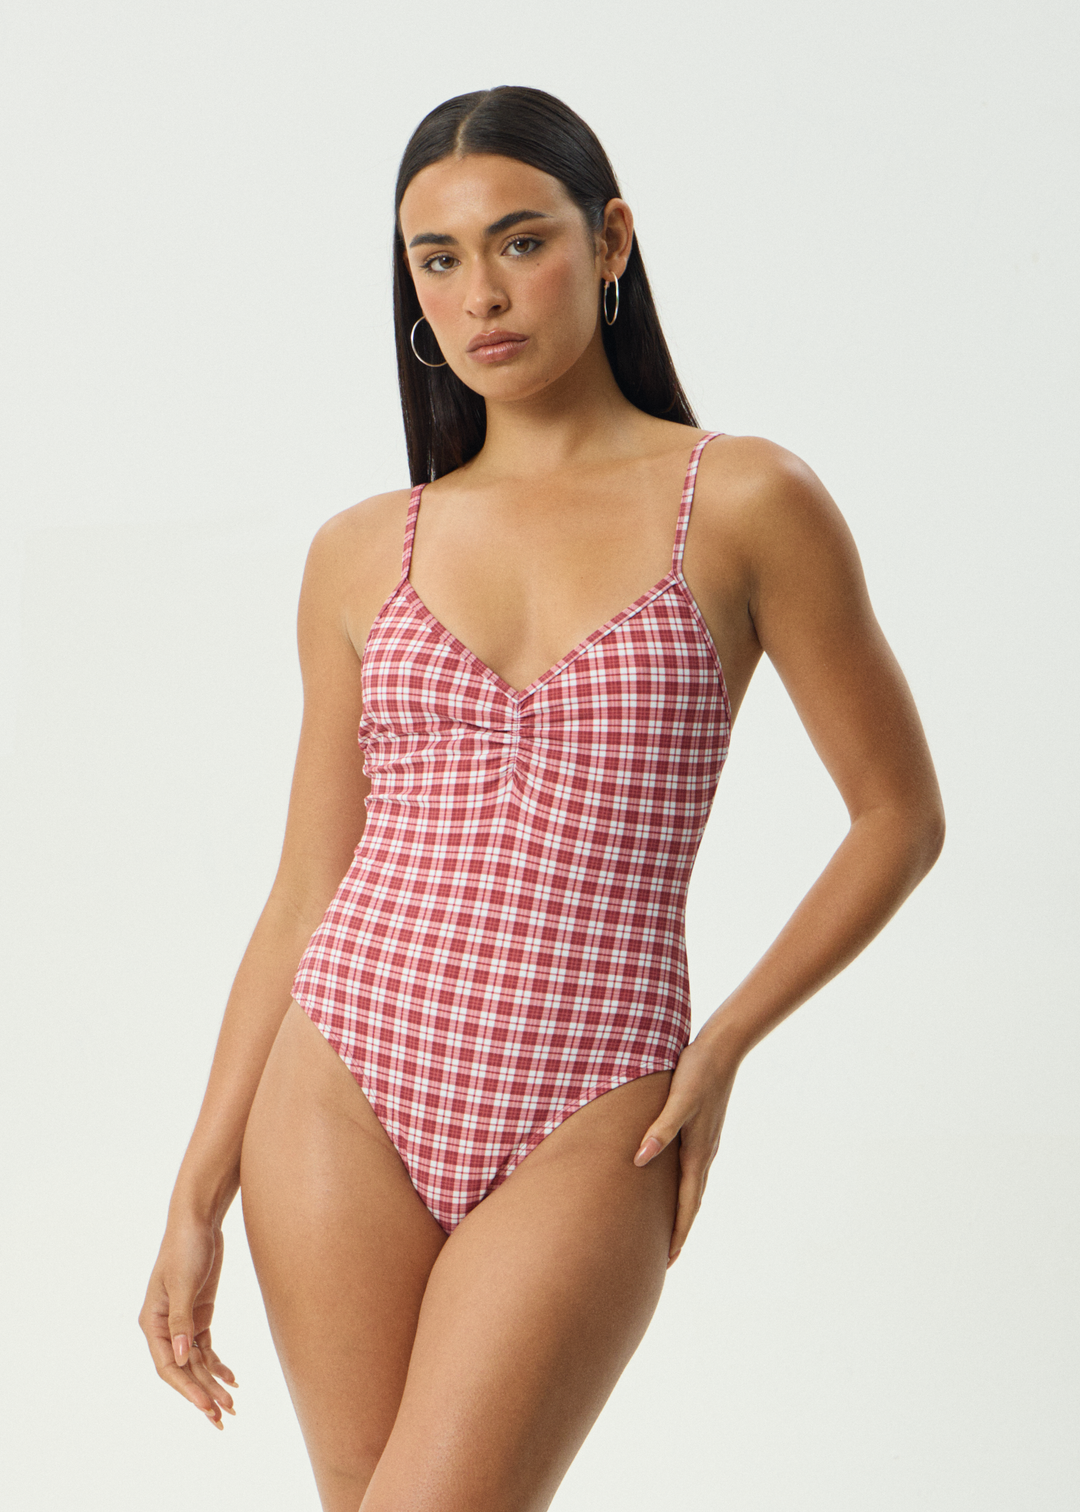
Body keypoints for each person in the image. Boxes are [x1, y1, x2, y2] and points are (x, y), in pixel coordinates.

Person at [139, 86, 945, 1512]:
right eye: (438, 260)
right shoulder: (361, 550)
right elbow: (308, 884)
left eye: (521, 241)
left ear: (611, 239)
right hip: (342, 1078)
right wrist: (196, 1192)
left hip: (598, 1092)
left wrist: (725, 1044)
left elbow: (898, 815)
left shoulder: (744, 500)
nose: (482, 295)